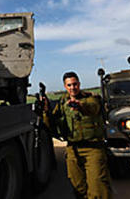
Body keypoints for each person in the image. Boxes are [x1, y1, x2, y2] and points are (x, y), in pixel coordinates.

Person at [42, 71, 112, 199]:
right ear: (65, 86)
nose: (72, 87)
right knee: (78, 187)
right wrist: (45, 111)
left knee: (98, 187)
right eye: (69, 85)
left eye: (75, 84)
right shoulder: (63, 103)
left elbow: (93, 108)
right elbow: (51, 125)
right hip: (73, 150)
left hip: (93, 149)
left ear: (79, 84)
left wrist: (80, 106)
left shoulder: (91, 98)